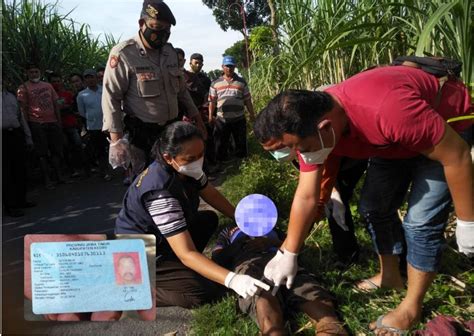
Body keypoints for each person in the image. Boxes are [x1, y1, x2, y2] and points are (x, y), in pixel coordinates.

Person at [253, 65, 472, 335]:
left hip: (446, 128)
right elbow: (308, 195)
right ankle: (391, 277)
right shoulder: (311, 130)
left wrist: (467, 221)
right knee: (373, 206)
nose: (301, 155)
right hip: (393, 142)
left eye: (302, 149)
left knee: (419, 223)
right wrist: (288, 252)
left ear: (324, 128)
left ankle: (411, 306)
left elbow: (457, 156)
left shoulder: (385, 109)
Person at [115, 121, 269, 308]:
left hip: (161, 238)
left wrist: (242, 219)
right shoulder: (160, 193)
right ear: (169, 157)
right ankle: (137, 289)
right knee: (204, 292)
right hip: (142, 253)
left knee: (208, 219)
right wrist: (233, 280)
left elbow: (209, 192)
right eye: (190, 158)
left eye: (201, 155)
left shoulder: (186, 169)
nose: (197, 161)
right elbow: (187, 253)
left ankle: (177, 266)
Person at [102, 0, 207, 172]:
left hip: (172, 132)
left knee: (178, 178)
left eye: (167, 30)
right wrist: (116, 141)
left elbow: (181, 91)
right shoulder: (124, 54)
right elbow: (111, 97)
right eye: (157, 28)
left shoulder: (170, 52)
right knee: (147, 186)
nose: (162, 34)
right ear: (142, 24)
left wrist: (198, 119)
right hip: (143, 135)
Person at [211, 225, 348, 335]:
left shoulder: (272, 226)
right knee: (265, 306)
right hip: (249, 266)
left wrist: (271, 242)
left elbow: (298, 245)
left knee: (323, 312)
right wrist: (239, 244)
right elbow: (217, 258)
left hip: (281, 262)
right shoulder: (229, 230)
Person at [17, 64, 66, 189]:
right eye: (31, 72)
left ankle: (59, 176)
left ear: (40, 72)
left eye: (36, 71)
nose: (34, 74)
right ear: (27, 73)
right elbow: (23, 109)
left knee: (56, 150)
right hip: (37, 123)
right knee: (42, 153)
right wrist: (27, 127)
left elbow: (55, 104)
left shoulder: (48, 86)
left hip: (52, 122)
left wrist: (58, 122)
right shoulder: (23, 88)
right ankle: (47, 180)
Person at [208, 55, 256, 162]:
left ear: (235, 67)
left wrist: (252, 115)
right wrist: (211, 116)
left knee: (241, 143)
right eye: (227, 66)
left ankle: (241, 162)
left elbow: (247, 100)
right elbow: (212, 101)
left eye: (231, 66)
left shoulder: (241, 82)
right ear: (222, 67)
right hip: (222, 119)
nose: (229, 68)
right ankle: (221, 162)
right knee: (220, 143)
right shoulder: (215, 83)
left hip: (238, 118)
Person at [2, 82, 36, 217]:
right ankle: (10, 206)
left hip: (15, 135)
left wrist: (28, 137)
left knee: (20, 169)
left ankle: (21, 200)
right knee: (5, 173)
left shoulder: (11, 96)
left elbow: (21, 118)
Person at [77, 69, 112, 181]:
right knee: (100, 149)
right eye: (87, 78)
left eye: (92, 77)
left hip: (108, 124)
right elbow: (82, 112)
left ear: (96, 78)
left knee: (111, 147)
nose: (90, 80)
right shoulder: (82, 95)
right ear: (84, 81)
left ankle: (116, 169)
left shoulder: (104, 91)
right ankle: (104, 171)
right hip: (93, 126)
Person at [49, 73, 84, 178]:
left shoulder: (68, 94)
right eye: (54, 81)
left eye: (58, 81)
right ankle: (71, 169)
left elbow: (73, 108)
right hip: (58, 126)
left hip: (71, 124)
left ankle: (83, 167)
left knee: (78, 145)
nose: (56, 83)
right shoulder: (48, 95)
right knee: (65, 147)